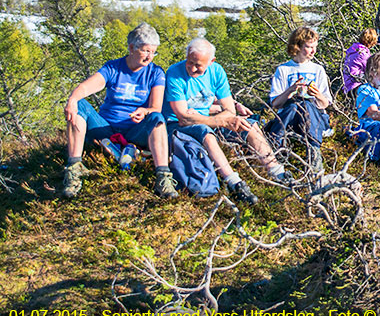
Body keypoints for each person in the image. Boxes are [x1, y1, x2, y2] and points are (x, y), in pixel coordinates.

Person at [163, 38, 288, 205]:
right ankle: (233, 182)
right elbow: (183, 117)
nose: (192, 68)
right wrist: (219, 120)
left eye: (198, 65)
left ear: (211, 61)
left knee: (249, 124)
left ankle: (276, 170)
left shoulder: (217, 72)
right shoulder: (174, 73)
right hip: (177, 125)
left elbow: (230, 110)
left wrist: (222, 118)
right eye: (190, 62)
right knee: (206, 134)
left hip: (206, 117)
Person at [61, 23, 176, 199]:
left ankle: (163, 177)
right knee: (80, 104)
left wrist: (144, 111)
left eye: (153, 52)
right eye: (146, 51)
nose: (150, 57)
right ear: (131, 48)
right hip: (106, 128)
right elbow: (87, 87)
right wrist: (72, 99)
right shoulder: (113, 68)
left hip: (136, 130)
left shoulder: (156, 73)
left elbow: (155, 107)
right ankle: (74, 170)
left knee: (157, 118)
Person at [265, 27, 333, 173]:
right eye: (309, 47)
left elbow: (325, 103)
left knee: (306, 104)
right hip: (290, 114)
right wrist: (291, 90)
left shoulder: (318, 69)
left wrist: (317, 94)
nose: (313, 51)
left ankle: (314, 153)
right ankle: (278, 151)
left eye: (315, 47)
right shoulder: (283, 70)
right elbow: (276, 104)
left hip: (314, 114)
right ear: (297, 46)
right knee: (296, 105)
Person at [342, 28, 378, 97]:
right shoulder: (362, 54)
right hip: (355, 85)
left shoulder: (353, 49)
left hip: (347, 85)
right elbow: (370, 70)